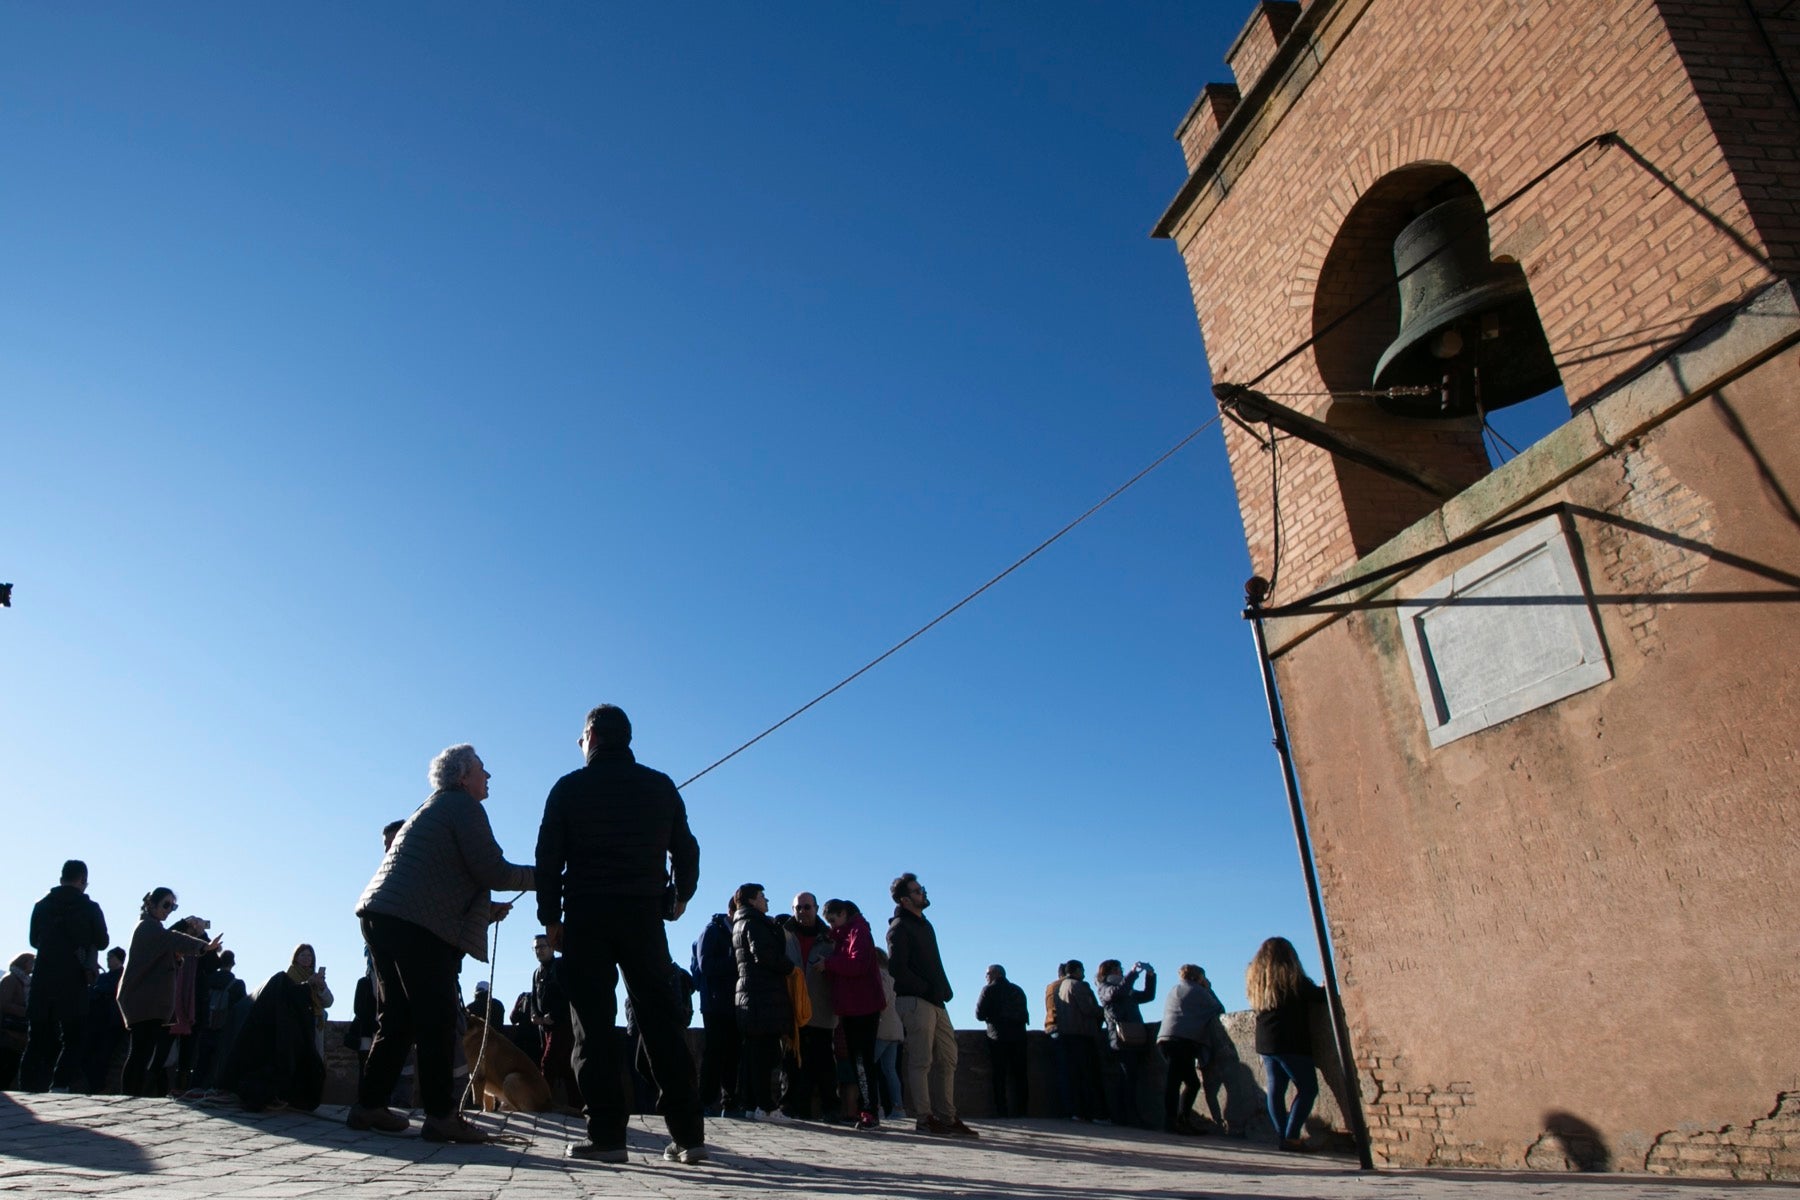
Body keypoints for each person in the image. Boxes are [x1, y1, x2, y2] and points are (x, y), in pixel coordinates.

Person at [536, 703, 705, 1165]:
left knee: (592, 1026)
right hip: (643, 917)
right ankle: (689, 1136)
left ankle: (608, 1137)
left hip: (587, 918)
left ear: (590, 736)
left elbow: (548, 859)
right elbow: (686, 850)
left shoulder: (568, 788)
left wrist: (550, 917)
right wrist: (679, 896)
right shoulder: (659, 785)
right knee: (661, 1020)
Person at [351, 743, 534, 1143]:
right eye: (483, 770)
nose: (489, 777)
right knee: (435, 1018)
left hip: (380, 914)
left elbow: (437, 883)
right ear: (463, 776)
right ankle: (440, 1116)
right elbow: (492, 870)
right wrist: (544, 878)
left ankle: (369, 1106)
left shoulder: (433, 807)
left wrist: (485, 911)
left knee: (398, 1016)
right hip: (414, 925)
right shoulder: (464, 807)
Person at [886, 873, 976, 1138]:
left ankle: (948, 1116)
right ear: (905, 899)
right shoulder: (899, 927)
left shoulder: (925, 925)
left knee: (948, 1058)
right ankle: (924, 1118)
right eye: (916, 891)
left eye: (921, 889)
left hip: (937, 1001)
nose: (922, 893)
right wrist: (924, 989)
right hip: (915, 1001)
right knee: (921, 1060)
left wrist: (943, 990)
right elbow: (897, 969)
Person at [118, 889, 219, 1097]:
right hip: (143, 999)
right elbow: (171, 939)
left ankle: (133, 1094)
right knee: (140, 1051)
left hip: (150, 1000)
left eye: (172, 906)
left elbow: (170, 948)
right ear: (151, 904)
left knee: (144, 1051)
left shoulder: (153, 928)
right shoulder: (147, 927)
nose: (169, 910)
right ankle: (129, 1093)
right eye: (166, 905)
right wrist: (201, 942)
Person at [22, 859, 109, 1092]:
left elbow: (33, 940)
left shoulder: (41, 905)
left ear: (61, 878)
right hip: (72, 979)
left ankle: (25, 1087)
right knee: (74, 1037)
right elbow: (103, 941)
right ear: (82, 879)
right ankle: (60, 1085)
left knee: (36, 1038)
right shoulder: (90, 907)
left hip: (43, 976)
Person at [1249, 937, 1325, 1151]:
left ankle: (1283, 1136)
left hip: (1265, 1040)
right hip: (1290, 1040)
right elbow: (1319, 997)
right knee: (1308, 1088)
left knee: (1275, 1090)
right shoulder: (1292, 978)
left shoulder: (1257, 979)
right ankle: (1291, 1136)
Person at [818, 899, 886, 1130]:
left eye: (834, 920)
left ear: (843, 914)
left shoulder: (859, 931)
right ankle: (866, 1109)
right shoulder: (849, 932)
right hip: (853, 1006)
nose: (833, 926)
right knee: (859, 1060)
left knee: (862, 1060)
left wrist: (829, 963)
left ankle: (869, 1111)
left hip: (862, 1006)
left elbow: (857, 964)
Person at [730, 882, 792, 1122]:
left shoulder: (740, 922)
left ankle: (753, 1104)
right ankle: (765, 1106)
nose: (766, 901)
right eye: (762, 896)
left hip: (750, 993)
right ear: (752, 900)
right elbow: (764, 955)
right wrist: (789, 967)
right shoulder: (755, 923)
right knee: (764, 1054)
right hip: (762, 995)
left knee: (754, 1053)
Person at [777, 891, 840, 1121]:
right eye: (798, 908)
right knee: (791, 1062)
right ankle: (791, 1106)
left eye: (807, 907)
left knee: (824, 1062)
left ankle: (831, 1107)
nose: (802, 912)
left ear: (815, 908)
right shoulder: (783, 934)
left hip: (821, 1008)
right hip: (792, 1009)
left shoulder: (829, 937)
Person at [1160, 963, 1228, 1134]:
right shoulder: (1198, 991)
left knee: (1178, 1081)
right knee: (1186, 1082)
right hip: (1182, 1040)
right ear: (1198, 977)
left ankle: (1176, 1120)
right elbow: (1219, 1009)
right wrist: (1209, 989)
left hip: (1166, 1038)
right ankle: (1177, 1121)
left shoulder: (1174, 990)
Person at [690, 898, 741, 1117]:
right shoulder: (712, 931)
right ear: (732, 912)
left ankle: (730, 1103)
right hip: (714, 1002)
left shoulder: (736, 933)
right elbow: (705, 965)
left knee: (733, 1053)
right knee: (714, 1053)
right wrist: (738, 962)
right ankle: (705, 1102)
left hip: (734, 1003)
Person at [1097, 959, 1157, 1128]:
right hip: (1120, 1039)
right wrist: (1132, 974)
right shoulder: (1104, 988)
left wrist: (1150, 976)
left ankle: (1128, 1116)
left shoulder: (1126, 988)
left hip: (1133, 1036)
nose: (1120, 972)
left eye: (1121, 970)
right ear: (1107, 972)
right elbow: (1117, 993)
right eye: (1117, 970)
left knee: (1132, 1079)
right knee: (1126, 1079)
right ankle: (1126, 1117)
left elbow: (1147, 996)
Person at [529, 934, 581, 1110]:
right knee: (566, 1066)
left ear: (551, 948)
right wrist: (535, 1015)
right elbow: (534, 998)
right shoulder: (536, 972)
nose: (539, 950)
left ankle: (542, 1102)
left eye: (542, 946)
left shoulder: (559, 966)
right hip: (544, 1027)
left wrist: (553, 1016)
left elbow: (568, 995)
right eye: (536, 947)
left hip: (562, 1024)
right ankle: (576, 1104)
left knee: (548, 1062)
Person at [1054, 959, 1108, 1122]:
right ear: (1076, 970)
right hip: (1082, 1034)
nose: (1084, 973)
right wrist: (1105, 1012)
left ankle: (1077, 1112)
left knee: (1074, 1076)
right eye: (1082, 970)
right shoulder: (1079, 986)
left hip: (1066, 1034)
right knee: (1089, 1075)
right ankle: (1097, 1113)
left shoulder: (1060, 987)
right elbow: (1088, 1009)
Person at [974, 964, 1029, 1117]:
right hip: (1019, 1036)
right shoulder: (1017, 990)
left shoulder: (989, 990)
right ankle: (1022, 1110)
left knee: (999, 1075)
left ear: (994, 974)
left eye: (987, 974)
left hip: (997, 1037)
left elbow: (979, 1014)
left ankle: (1001, 1110)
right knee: (1020, 1075)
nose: (986, 977)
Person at [81, 947, 128, 1093]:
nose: (108, 960)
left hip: (112, 1021)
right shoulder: (102, 977)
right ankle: (93, 1085)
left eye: (111, 957)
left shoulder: (122, 975)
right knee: (90, 1054)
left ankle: (98, 1086)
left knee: (104, 1055)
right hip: (97, 1020)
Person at [871, 950, 906, 1121]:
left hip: (882, 1027)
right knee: (889, 1070)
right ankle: (898, 1106)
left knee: (870, 1067)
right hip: (894, 1027)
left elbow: (881, 1001)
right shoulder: (891, 977)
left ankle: (875, 1106)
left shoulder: (880, 975)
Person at [0, 953, 32, 1088]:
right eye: (32, 962)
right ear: (24, 963)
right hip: (7, 1030)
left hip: (18, 1031)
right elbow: (3, 1003)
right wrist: (26, 1011)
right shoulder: (11, 979)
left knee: (12, 1064)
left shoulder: (25, 982)